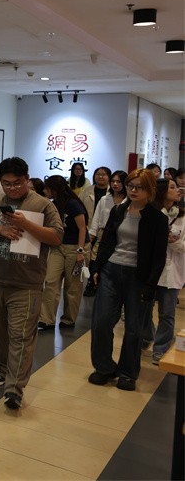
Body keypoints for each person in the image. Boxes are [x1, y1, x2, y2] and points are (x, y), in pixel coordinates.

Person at [0, 157, 63, 410]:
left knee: (21, 337)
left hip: (26, 284)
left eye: (17, 183)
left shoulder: (43, 205)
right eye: (7, 183)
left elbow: (56, 236)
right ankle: (2, 371)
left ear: (27, 179)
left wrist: (26, 225)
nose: (12, 188)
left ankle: (14, 388)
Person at [88, 168, 167, 391]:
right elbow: (107, 242)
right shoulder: (118, 211)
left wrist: (151, 285)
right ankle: (104, 367)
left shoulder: (158, 219)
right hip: (111, 270)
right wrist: (97, 267)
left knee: (134, 328)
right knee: (101, 322)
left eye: (139, 187)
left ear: (150, 189)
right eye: (130, 186)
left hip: (138, 277)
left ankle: (128, 373)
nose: (133, 190)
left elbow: (159, 257)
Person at [38, 175, 89, 330]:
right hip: (58, 247)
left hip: (76, 248)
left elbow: (82, 228)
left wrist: (80, 251)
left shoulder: (73, 204)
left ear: (54, 189)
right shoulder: (53, 204)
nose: (44, 191)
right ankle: (47, 319)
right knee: (50, 280)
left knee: (73, 286)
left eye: (47, 188)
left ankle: (69, 319)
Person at [148, 179, 184, 365]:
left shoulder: (182, 217)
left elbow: (183, 246)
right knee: (143, 311)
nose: (178, 191)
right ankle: (147, 336)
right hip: (151, 271)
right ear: (162, 192)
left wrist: (172, 242)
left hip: (173, 273)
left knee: (167, 315)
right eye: (173, 187)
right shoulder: (152, 214)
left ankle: (160, 349)